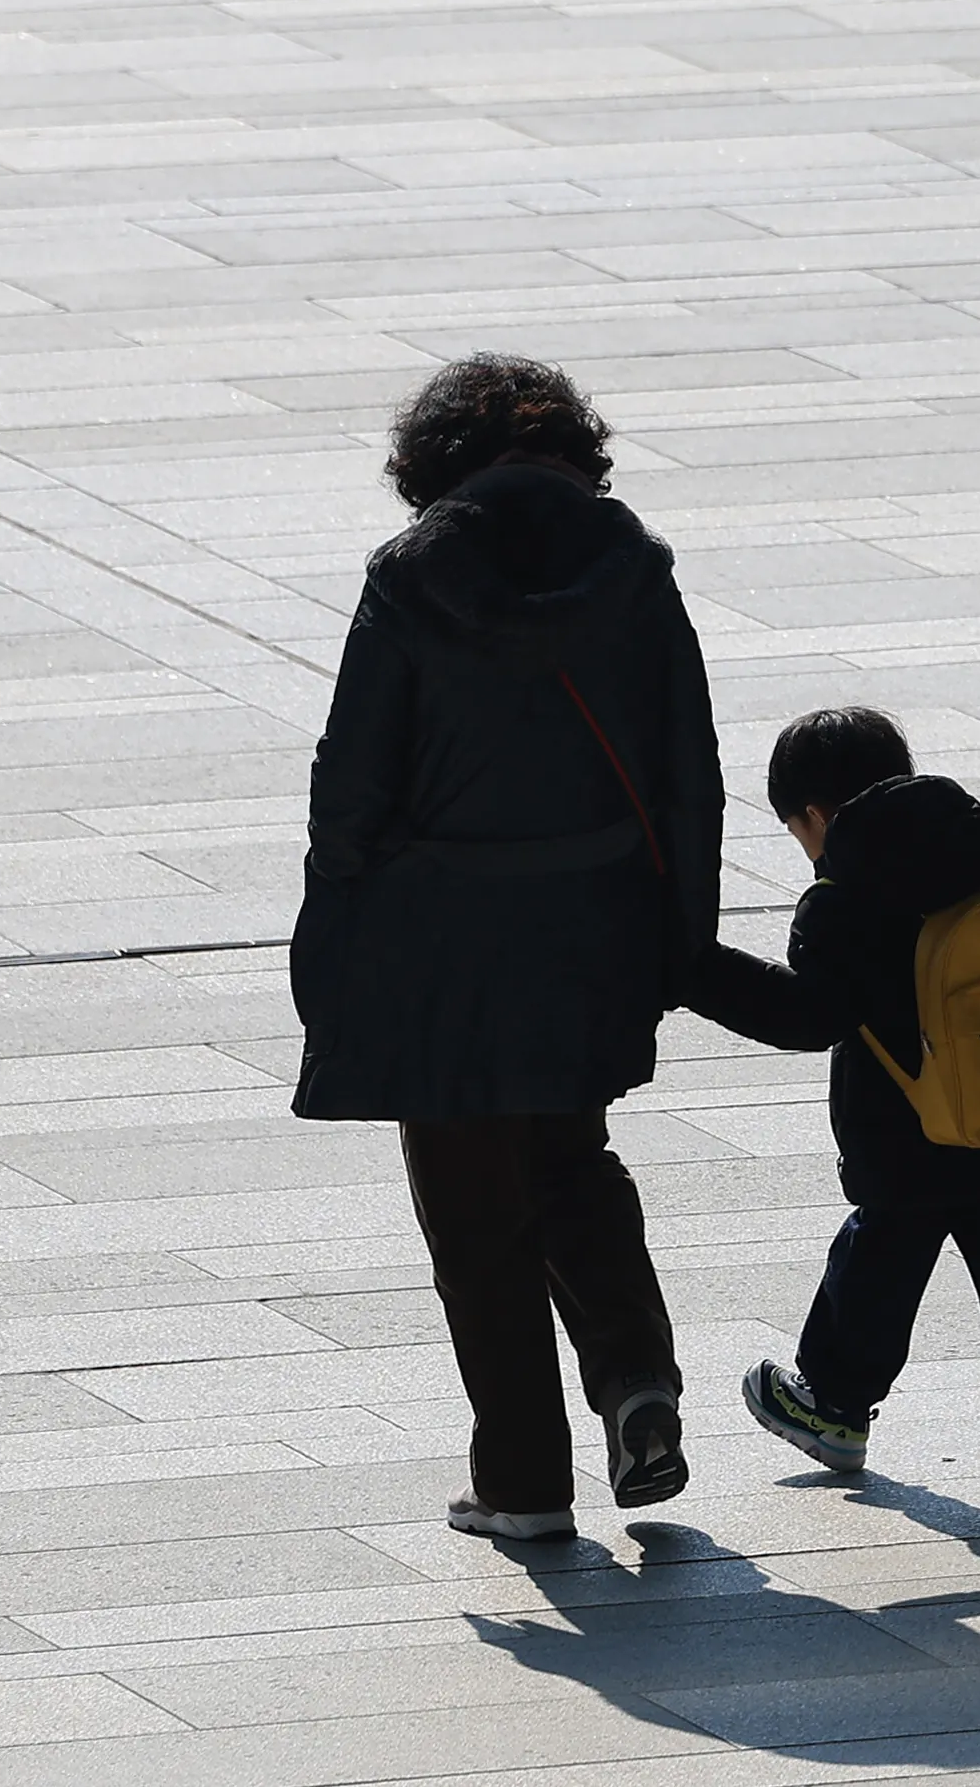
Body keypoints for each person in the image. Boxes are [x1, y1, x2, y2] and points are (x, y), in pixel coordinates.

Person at [290, 355, 724, 1541]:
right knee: (571, 1154)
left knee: (474, 1213)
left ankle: (525, 1482)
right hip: (592, 920)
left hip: (439, 936)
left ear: (432, 466)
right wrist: (682, 934)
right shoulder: (631, 567)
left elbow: (352, 786)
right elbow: (690, 769)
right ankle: (637, 1376)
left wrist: (328, 945)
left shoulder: (413, 575)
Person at [683, 707, 980, 1496]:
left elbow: (811, 1017)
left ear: (814, 813)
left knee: (877, 1262)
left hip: (905, 1132)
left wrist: (695, 973)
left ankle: (835, 1407)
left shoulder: (843, 902)